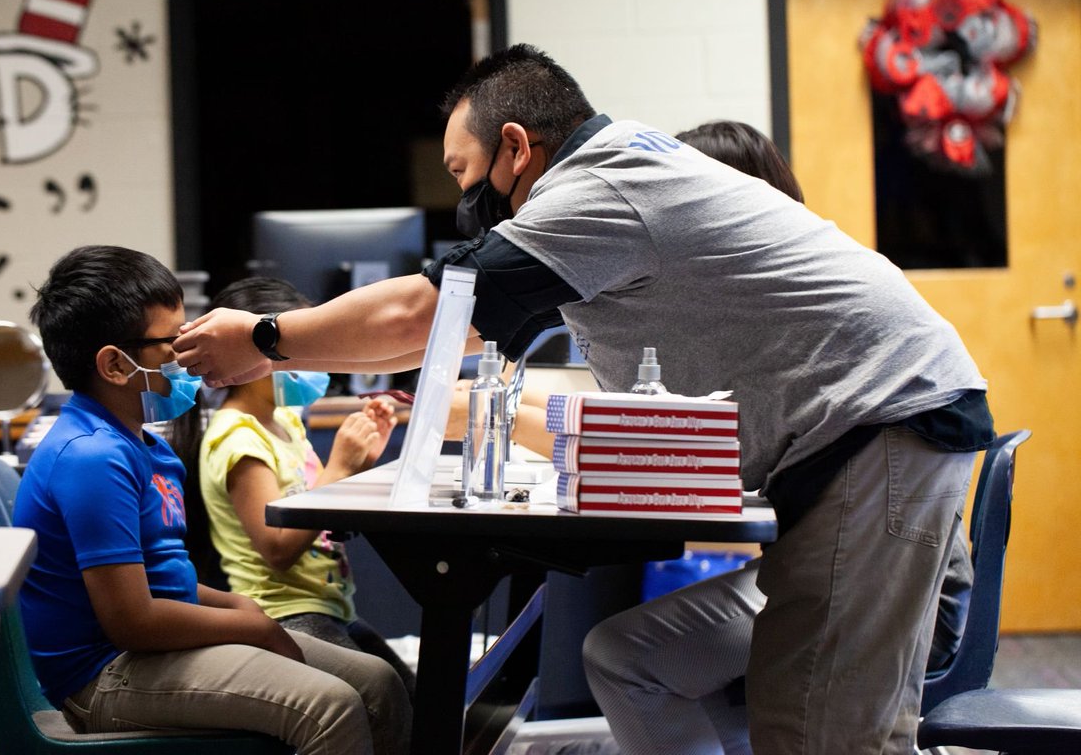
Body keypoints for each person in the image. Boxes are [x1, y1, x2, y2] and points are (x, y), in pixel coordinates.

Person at [172, 44, 995, 753]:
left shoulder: (599, 189)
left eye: (463, 172)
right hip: (866, 438)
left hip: (876, 432)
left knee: (819, 731)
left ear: (516, 147)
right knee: (677, 670)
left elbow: (422, 312)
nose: (464, 198)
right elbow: (443, 328)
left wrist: (265, 338)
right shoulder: (617, 176)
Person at [581, 120, 974, 755]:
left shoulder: (790, 314)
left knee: (639, 661)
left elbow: (688, 446)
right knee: (627, 654)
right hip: (880, 563)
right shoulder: (788, 311)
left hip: (908, 592)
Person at [13, 245, 411, 754]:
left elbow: (165, 580)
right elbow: (132, 622)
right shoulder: (91, 457)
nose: (187, 356)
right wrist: (249, 625)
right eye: (172, 342)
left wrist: (239, 608)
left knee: (379, 684)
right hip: (104, 675)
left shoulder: (143, 444)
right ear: (114, 365)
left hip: (147, 650)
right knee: (329, 707)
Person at [169, 276, 416, 700]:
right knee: (384, 696)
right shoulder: (238, 438)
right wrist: (339, 466)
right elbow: (278, 549)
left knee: (414, 698)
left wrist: (359, 460)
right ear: (248, 353)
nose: (311, 361)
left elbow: (319, 498)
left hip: (331, 606)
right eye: (292, 349)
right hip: (285, 614)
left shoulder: (285, 421)